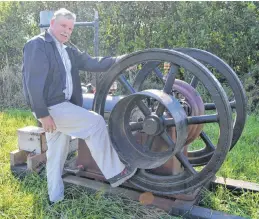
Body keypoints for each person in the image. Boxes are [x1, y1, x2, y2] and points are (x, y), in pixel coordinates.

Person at [22, 8, 137, 204]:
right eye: (63, 26)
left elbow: (93, 62)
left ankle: (55, 198)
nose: (67, 31)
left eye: (70, 28)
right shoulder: (37, 45)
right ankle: (117, 173)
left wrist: (121, 60)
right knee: (96, 123)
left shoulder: (67, 50)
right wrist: (42, 115)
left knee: (56, 155)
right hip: (51, 108)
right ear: (52, 24)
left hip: (62, 107)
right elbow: (32, 83)